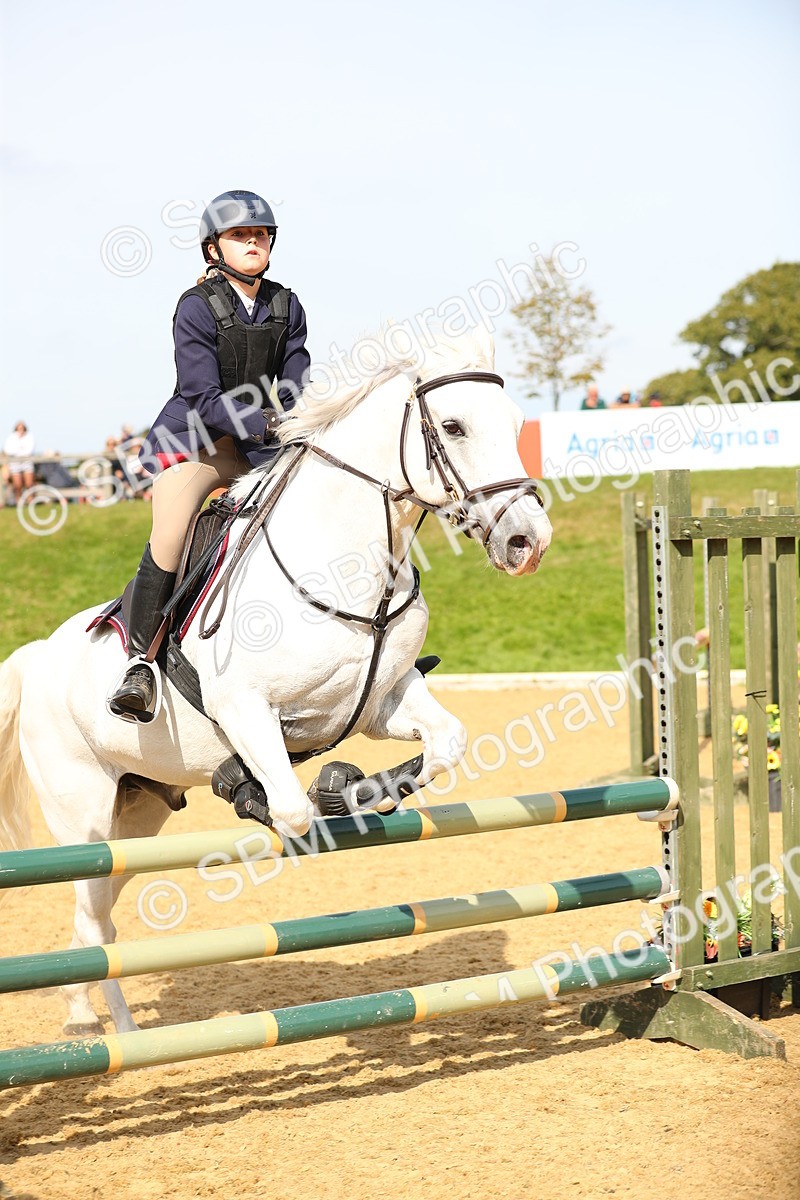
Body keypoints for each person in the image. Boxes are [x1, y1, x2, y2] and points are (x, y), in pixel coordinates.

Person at [108, 189, 311, 720]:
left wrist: (293, 419)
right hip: (195, 442)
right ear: (213, 249)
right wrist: (268, 420)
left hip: (261, 443)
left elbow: (295, 380)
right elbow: (200, 396)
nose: (253, 242)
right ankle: (140, 665)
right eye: (240, 235)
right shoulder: (195, 307)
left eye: (260, 234)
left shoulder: (287, 304)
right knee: (172, 532)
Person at [3, 422, 35, 502]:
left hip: (27, 463)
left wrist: (18, 451)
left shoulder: (29, 437)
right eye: (19, 428)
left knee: (29, 484)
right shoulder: (11, 438)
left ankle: (31, 501)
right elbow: (8, 450)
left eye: (22, 428)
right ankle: (19, 502)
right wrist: (21, 450)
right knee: (17, 485)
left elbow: (29, 451)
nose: (21, 430)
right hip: (15, 463)